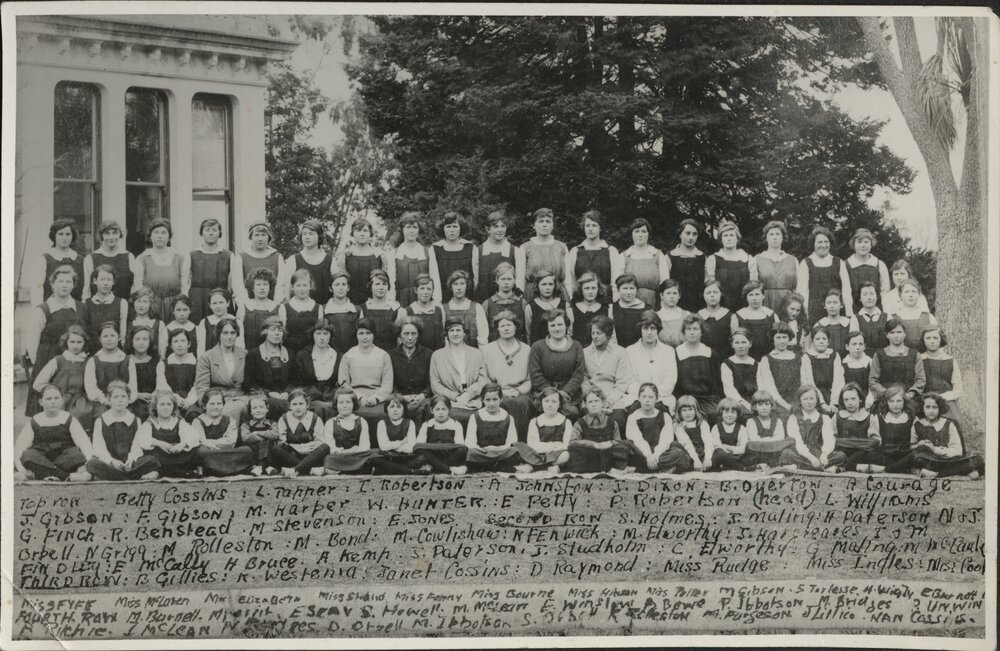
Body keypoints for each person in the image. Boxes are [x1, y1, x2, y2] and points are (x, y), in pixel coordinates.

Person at [24, 265, 86, 416]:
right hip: (48, 358)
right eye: (60, 281)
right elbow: (33, 341)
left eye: (68, 281)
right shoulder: (42, 310)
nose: (64, 285)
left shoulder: (81, 307)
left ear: (74, 285)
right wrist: (36, 363)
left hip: (74, 360)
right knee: (47, 402)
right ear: (52, 284)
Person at [884, 393, 983, 479]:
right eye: (928, 407)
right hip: (928, 461)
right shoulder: (917, 425)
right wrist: (918, 445)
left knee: (978, 460)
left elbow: (958, 450)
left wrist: (935, 449)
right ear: (922, 408)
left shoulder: (949, 424)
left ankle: (935, 473)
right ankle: (961, 471)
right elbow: (912, 449)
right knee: (918, 459)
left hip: (949, 460)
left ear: (939, 408)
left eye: (934, 407)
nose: (931, 411)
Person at [14, 384, 92, 481]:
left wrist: (86, 464)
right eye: (48, 399)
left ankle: (38, 476)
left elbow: (84, 443)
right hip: (41, 460)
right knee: (28, 455)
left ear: (62, 400)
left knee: (77, 454)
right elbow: (20, 447)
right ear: (41, 402)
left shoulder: (68, 419)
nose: (53, 402)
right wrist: (20, 468)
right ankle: (67, 476)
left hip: (65, 460)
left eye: (56, 398)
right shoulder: (35, 421)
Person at [86, 380, 160, 480]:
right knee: (92, 463)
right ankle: (134, 476)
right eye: (116, 397)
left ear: (129, 399)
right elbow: (99, 448)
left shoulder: (135, 420)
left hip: (129, 464)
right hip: (110, 463)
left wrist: (131, 460)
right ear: (109, 399)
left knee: (152, 460)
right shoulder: (101, 420)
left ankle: (112, 476)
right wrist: (112, 461)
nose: (120, 400)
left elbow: (137, 446)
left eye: (123, 397)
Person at [481, 310, 534, 438]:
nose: (506, 329)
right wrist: (499, 392)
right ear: (497, 329)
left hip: (519, 394)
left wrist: (518, 391)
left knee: (520, 404)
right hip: (496, 393)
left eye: (509, 325)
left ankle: (519, 443)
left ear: (515, 327)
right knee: (500, 403)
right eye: (502, 326)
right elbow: (484, 376)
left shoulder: (527, 349)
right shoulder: (488, 349)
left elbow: (530, 379)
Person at [338, 317, 394, 431]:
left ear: (373, 335)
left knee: (383, 417)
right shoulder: (348, 356)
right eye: (361, 333)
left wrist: (376, 398)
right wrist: (359, 397)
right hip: (354, 400)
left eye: (368, 333)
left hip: (377, 400)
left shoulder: (383, 356)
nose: (364, 337)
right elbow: (343, 383)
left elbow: (387, 384)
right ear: (356, 335)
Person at [528, 310, 586, 420]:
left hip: (569, 395)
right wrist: (551, 394)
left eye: (560, 324)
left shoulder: (576, 346)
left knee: (571, 413)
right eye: (552, 325)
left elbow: (578, 374)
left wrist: (564, 393)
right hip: (544, 393)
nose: (557, 328)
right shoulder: (537, 347)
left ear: (566, 325)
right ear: (547, 327)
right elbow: (535, 375)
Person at [31, 325, 92, 426]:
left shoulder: (88, 361)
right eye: (72, 342)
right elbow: (38, 384)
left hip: (79, 401)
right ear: (66, 342)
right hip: (59, 399)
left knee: (80, 417)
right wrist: (53, 392)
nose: (75, 346)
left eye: (79, 342)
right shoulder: (58, 360)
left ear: (84, 343)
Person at [429, 317, 487, 424]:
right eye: (451, 331)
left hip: (473, 399)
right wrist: (455, 397)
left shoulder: (476, 353)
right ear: (446, 334)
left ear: (464, 333)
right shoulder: (437, 356)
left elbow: (483, 379)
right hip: (449, 402)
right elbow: (435, 385)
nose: (455, 334)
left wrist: (469, 394)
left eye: (458, 330)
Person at [623, 383, 692, 473]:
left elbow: (666, 439)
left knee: (679, 452)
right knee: (624, 445)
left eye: (650, 397)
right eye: (644, 397)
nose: (647, 400)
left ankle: (644, 467)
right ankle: (660, 467)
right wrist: (648, 455)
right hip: (641, 453)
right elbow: (637, 439)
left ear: (657, 399)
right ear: (638, 398)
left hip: (660, 453)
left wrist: (655, 455)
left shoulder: (665, 416)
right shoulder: (633, 417)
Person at [582, 315, 635, 430]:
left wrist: (609, 400)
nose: (595, 337)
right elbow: (584, 379)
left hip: (613, 398)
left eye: (599, 333)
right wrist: (590, 397)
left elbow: (622, 382)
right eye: (593, 333)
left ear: (608, 334)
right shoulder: (585, 353)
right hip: (591, 397)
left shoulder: (620, 352)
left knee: (618, 419)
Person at [778, 385, 847, 473]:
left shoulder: (824, 418)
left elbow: (829, 440)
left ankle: (800, 467)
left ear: (817, 400)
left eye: (812, 398)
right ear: (800, 400)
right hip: (802, 454)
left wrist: (824, 455)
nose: (809, 402)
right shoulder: (793, 418)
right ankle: (826, 469)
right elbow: (798, 443)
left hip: (819, 453)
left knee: (841, 456)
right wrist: (811, 458)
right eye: (805, 399)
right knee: (786, 454)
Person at [193, 317, 250, 422]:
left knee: (233, 409)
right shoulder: (207, 357)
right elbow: (202, 387)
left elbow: (252, 383)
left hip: (241, 398)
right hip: (218, 401)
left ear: (237, 335)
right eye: (225, 333)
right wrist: (208, 405)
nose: (229, 337)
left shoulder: (245, 354)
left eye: (233, 333)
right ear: (218, 334)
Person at [563, 387, 629, 475]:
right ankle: (608, 469)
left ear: (603, 403)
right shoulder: (580, 423)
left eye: (596, 401)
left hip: (607, 453)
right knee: (574, 449)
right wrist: (592, 444)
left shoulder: (612, 422)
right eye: (590, 402)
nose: (594, 404)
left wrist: (609, 443)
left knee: (623, 447)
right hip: (589, 455)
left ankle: (606, 468)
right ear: (585, 404)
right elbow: (572, 442)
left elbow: (617, 441)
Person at [797, 225, 852, 326]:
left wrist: (849, 313)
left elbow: (846, 289)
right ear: (813, 244)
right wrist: (804, 315)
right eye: (819, 242)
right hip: (814, 312)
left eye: (826, 242)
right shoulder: (806, 263)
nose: (823, 245)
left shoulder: (839, 262)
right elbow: (802, 291)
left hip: (836, 311)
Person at [137, 389, 200, 477]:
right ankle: (180, 472)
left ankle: (166, 472)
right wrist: (158, 443)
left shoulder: (178, 421)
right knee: (150, 458)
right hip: (160, 457)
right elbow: (142, 439)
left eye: (169, 404)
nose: (165, 407)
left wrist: (183, 444)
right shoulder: (150, 423)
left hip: (176, 454)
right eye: (162, 404)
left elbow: (193, 435)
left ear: (173, 407)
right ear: (155, 406)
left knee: (197, 451)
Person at [673, 315, 723, 425]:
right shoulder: (677, 353)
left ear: (702, 332)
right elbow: (675, 382)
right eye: (688, 329)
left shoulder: (710, 353)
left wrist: (715, 400)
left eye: (695, 329)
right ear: (684, 332)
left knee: (714, 415)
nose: (692, 332)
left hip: (707, 399)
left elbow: (717, 382)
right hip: (685, 399)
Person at [192, 388, 255, 477]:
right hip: (208, 452)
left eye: (219, 403)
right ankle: (235, 469)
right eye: (212, 404)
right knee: (200, 452)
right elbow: (201, 441)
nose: (216, 407)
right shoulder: (198, 421)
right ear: (204, 406)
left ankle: (211, 469)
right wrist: (217, 443)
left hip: (225, 451)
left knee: (247, 450)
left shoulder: (230, 420)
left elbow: (231, 442)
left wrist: (212, 444)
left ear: (223, 405)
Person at [134, 219, 188, 320]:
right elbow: (138, 287)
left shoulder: (179, 258)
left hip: (174, 306)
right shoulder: (142, 258)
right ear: (150, 236)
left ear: (169, 236)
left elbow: (185, 287)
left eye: (163, 232)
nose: (160, 236)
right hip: (150, 306)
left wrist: (181, 306)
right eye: (156, 232)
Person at [625, 310, 678, 414]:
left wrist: (654, 395)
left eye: (653, 328)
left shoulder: (668, 351)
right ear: (640, 329)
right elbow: (628, 381)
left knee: (661, 411)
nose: (649, 332)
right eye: (645, 328)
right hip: (637, 398)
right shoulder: (630, 351)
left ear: (657, 330)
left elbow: (670, 379)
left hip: (662, 398)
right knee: (635, 411)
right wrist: (644, 396)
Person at [869, 317, 925, 415]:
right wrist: (886, 394)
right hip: (886, 399)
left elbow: (920, 380)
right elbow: (873, 380)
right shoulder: (879, 355)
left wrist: (910, 394)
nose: (896, 336)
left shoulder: (915, 355)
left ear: (904, 334)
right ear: (886, 335)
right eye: (892, 332)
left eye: (899, 332)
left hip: (908, 399)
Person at [270, 389, 329, 477]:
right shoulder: (284, 419)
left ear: (307, 405)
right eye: (294, 404)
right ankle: (308, 469)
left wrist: (308, 449)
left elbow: (320, 440)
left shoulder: (315, 418)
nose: (298, 407)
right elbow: (282, 442)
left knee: (325, 447)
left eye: (301, 404)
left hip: (311, 454)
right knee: (276, 448)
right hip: (293, 455)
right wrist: (299, 449)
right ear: (290, 406)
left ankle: (295, 470)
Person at [187, 219, 237, 323]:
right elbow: (186, 280)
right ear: (202, 233)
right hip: (197, 299)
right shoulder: (192, 255)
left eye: (214, 230)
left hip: (221, 298)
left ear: (220, 233)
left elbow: (234, 282)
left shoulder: (228, 255)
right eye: (207, 230)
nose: (211, 233)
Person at [565, 210, 620, 304]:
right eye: (588, 225)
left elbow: (615, 281)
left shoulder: (611, 251)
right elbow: (571, 281)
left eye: (594, 225)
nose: (591, 229)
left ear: (600, 228)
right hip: (580, 302)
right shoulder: (575, 251)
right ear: (584, 228)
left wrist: (615, 303)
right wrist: (571, 299)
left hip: (606, 301)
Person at [756, 321, 809, 420]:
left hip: (797, 401)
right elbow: (769, 387)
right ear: (773, 339)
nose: (781, 341)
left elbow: (804, 382)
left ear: (789, 339)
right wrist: (786, 406)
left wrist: (800, 402)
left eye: (784, 337)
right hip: (777, 403)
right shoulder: (767, 359)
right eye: (778, 337)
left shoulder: (798, 358)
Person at [335, 218, 393, 305]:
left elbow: (384, 282)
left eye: (365, 231)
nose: (362, 234)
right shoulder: (345, 255)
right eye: (358, 230)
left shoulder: (379, 255)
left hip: (373, 302)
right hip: (350, 302)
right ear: (352, 233)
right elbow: (341, 282)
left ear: (370, 233)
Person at [244, 317, 293, 420]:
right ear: (265, 332)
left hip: (285, 395)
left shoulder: (290, 353)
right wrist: (268, 393)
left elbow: (295, 379)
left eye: (280, 330)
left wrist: (287, 392)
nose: (277, 333)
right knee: (277, 404)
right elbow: (249, 383)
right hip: (261, 395)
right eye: (273, 329)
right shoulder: (254, 354)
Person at [389, 211, 441, 308]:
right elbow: (391, 282)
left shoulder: (428, 252)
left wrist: (435, 302)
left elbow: (435, 279)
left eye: (415, 227)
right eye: (408, 227)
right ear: (402, 230)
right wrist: (392, 304)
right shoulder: (394, 254)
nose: (411, 231)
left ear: (419, 230)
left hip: (424, 302)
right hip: (401, 303)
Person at [465, 383, 521, 472]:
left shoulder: (508, 417)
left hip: (501, 452)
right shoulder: (476, 416)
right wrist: (484, 450)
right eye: (488, 400)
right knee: (471, 453)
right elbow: (470, 442)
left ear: (501, 399)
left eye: (495, 399)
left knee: (514, 451)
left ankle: (484, 468)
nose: (492, 403)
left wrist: (497, 449)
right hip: (482, 452)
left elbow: (512, 442)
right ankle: (503, 468)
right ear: (482, 400)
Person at [84, 322, 132, 426]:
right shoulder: (94, 360)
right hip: (101, 403)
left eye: (112, 335)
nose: (109, 339)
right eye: (105, 336)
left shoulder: (127, 360)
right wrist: (106, 401)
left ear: (119, 338)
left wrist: (123, 401)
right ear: (100, 339)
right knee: (102, 416)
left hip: (124, 402)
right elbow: (91, 387)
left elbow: (132, 385)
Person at [514, 388, 572, 473]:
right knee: (520, 447)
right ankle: (549, 467)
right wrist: (553, 445)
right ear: (541, 402)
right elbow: (533, 445)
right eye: (546, 401)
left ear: (559, 404)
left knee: (566, 455)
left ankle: (535, 467)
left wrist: (546, 447)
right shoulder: (535, 421)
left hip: (556, 455)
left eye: (554, 401)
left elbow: (567, 445)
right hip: (537, 454)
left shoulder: (566, 422)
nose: (550, 405)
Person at [856, 385, 912, 473]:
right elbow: (877, 442)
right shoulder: (879, 418)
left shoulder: (910, 418)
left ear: (904, 401)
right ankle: (900, 468)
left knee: (915, 455)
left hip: (904, 454)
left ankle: (885, 469)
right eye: (891, 401)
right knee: (869, 455)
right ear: (886, 402)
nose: (895, 405)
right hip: (886, 455)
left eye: (899, 401)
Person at [323, 388, 380, 474]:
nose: (344, 405)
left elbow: (365, 447)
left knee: (374, 453)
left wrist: (353, 452)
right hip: (339, 457)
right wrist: (350, 450)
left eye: (348, 402)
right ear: (336, 404)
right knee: (329, 458)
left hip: (359, 456)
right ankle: (359, 469)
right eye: (341, 402)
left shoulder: (361, 421)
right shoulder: (330, 423)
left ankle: (342, 470)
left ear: (354, 404)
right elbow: (331, 448)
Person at [519, 208, 570, 303]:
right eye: (541, 221)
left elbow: (568, 279)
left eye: (548, 221)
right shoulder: (525, 248)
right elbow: (520, 280)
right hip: (532, 295)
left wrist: (569, 297)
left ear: (552, 225)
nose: (544, 224)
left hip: (558, 294)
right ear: (534, 225)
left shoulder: (562, 247)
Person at [279, 219, 335, 305]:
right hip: (299, 312)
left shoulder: (330, 261)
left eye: (311, 234)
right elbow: (285, 287)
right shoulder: (293, 260)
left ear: (319, 236)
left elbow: (338, 287)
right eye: (304, 234)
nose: (307, 237)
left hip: (325, 311)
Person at [389, 318, 434, 423]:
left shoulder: (428, 354)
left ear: (418, 335)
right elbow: (388, 381)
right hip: (399, 398)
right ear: (400, 335)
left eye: (413, 334)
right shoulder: (391, 355)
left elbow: (433, 380)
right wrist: (401, 397)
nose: (410, 338)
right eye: (406, 334)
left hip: (423, 399)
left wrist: (423, 394)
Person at [294, 318, 340, 421]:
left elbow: (340, 381)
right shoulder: (303, 355)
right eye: (318, 333)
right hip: (309, 397)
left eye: (325, 333)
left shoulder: (338, 355)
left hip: (332, 397)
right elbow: (298, 382)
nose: (322, 338)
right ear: (312, 335)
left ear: (331, 335)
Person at [475, 210, 525, 304]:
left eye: (503, 226)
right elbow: (475, 280)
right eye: (496, 226)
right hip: (483, 301)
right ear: (488, 229)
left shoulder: (515, 251)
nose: (500, 230)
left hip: (508, 302)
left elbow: (519, 281)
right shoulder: (478, 251)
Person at [371, 395, 428, 475]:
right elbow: (383, 446)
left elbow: (412, 447)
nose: (395, 410)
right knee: (374, 459)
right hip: (389, 456)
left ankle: (385, 470)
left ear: (404, 409)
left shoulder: (409, 423)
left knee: (422, 458)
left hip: (405, 456)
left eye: (398, 407)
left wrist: (393, 447)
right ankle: (411, 471)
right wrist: (402, 442)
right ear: (386, 409)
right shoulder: (382, 423)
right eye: (392, 407)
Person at [706, 221, 757, 311]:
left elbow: (753, 286)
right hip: (720, 307)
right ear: (721, 239)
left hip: (744, 307)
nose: (729, 238)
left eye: (732, 235)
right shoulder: (713, 259)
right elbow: (710, 287)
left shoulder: (748, 259)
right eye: (725, 236)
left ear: (737, 238)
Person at [32, 219, 84, 304]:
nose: (64, 238)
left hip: (75, 312)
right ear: (54, 236)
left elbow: (85, 289)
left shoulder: (80, 260)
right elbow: (37, 288)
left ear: (72, 236)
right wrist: (39, 312)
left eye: (68, 234)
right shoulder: (45, 259)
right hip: (51, 311)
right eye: (60, 234)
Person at [620, 218, 668, 309]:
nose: (640, 235)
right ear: (632, 234)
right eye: (637, 231)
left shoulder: (657, 255)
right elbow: (617, 284)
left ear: (648, 234)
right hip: (629, 304)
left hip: (653, 302)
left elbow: (665, 283)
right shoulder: (624, 256)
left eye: (643, 231)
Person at [832, 383, 881, 472]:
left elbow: (875, 441)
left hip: (862, 453)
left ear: (860, 399)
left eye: (853, 399)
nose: (850, 403)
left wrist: (845, 442)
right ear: (842, 401)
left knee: (872, 455)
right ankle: (856, 467)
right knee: (839, 456)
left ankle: (846, 467)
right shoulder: (837, 417)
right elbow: (832, 439)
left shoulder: (868, 417)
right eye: (846, 400)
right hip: (842, 452)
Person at [414, 396, 469, 474]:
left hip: (449, 456)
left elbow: (460, 445)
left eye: (444, 409)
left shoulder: (456, 424)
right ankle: (449, 469)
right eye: (437, 409)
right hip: (432, 456)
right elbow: (419, 445)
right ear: (431, 410)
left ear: (449, 410)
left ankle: (434, 467)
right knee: (420, 451)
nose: (441, 412)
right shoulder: (427, 425)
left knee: (462, 450)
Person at [83, 220, 136, 301]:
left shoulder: (129, 257)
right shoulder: (91, 258)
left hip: (125, 307)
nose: (111, 237)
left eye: (114, 233)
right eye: (107, 233)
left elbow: (135, 287)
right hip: (99, 308)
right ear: (101, 236)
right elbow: (86, 289)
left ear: (120, 234)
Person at [232, 222, 284, 303]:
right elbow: (238, 285)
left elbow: (281, 284)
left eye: (263, 235)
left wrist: (276, 304)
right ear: (251, 237)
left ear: (268, 237)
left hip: (272, 305)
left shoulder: (277, 256)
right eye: (256, 235)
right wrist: (246, 305)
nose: (260, 239)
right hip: (249, 306)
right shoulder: (242, 257)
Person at [433, 212, 478, 303]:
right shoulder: (435, 249)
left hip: (466, 298)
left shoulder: (470, 248)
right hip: (443, 299)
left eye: (455, 226)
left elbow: (476, 278)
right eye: (448, 227)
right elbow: (434, 277)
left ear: (460, 228)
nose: (452, 230)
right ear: (443, 229)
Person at [156, 329, 200, 421]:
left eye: (183, 341)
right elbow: (162, 385)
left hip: (192, 400)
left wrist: (189, 401)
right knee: (173, 415)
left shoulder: (197, 363)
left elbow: (198, 385)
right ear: (171, 345)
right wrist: (177, 400)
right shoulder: (163, 364)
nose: (179, 344)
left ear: (189, 344)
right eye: (175, 341)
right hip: (170, 399)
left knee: (193, 414)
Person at [754, 220, 798, 312]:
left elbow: (798, 287)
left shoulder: (793, 260)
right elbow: (753, 287)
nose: (774, 237)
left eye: (778, 234)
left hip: (788, 304)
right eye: (771, 234)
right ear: (766, 238)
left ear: (783, 237)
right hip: (765, 304)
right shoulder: (757, 259)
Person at [83, 264, 128, 350]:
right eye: (102, 279)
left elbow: (122, 333)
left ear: (113, 282)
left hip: (114, 349)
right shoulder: (87, 303)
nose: (106, 283)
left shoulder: (121, 303)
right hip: (92, 349)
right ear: (95, 281)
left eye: (109, 280)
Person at [845, 228, 891, 313]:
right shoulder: (846, 265)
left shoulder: (879, 264)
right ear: (854, 244)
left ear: (871, 244)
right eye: (859, 242)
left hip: (876, 310)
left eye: (866, 242)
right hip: (854, 310)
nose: (863, 245)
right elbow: (845, 292)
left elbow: (885, 290)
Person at [743, 390, 792, 468]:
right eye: (760, 404)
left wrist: (766, 442)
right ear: (755, 407)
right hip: (758, 450)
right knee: (750, 445)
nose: (764, 408)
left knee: (789, 441)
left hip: (774, 450)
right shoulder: (751, 421)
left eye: (767, 404)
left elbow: (780, 437)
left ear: (771, 406)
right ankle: (761, 464)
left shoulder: (778, 421)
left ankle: (772, 463)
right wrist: (770, 440)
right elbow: (754, 438)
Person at [730, 280, 776, 361]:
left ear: (763, 295)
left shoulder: (771, 315)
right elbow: (736, 343)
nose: (754, 298)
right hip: (746, 360)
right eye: (750, 295)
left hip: (768, 359)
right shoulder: (738, 316)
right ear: (746, 297)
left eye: (757, 294)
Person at [919, 325, 962, 413]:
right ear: (923, 340)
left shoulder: (950, 360)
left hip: (946, 402)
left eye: (935, 338)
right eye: (928, 338)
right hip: (924, 403)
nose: (932, 341)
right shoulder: (919, 360)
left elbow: (958, 388)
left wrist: (942, 398)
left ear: (941, 339)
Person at [237, 268, 282, 351]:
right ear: (252, 287)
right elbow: (239, 336)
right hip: (249, 352)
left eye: (265, 284)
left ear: (270, 286)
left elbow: (281, 336)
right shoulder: (244, 307)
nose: (262, 288)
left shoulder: (278, 308)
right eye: (258, 284)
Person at [803, 326, 845, 415]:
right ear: (813, 341)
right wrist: (822, 403)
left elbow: (838, 380)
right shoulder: (807, 356)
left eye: (824, 338)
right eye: (817, 339)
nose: (821, 341)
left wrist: (834, 403)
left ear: (828, 341)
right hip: (815, 396)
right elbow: (809, 381)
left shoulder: (834, 355)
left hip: (834, 395)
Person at [668, 219, 707, 312]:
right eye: (687, 233)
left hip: (697, 304)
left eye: (694, 234)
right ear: (680, 234)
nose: (691, 237)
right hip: (676, 304)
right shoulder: (671, 256)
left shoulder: (702, 257)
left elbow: (707, 282)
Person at [441, 270, 488, 348]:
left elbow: (483, 338)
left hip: (473, 354)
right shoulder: (443, 308)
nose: (459, 288)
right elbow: (442, 336)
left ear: (467, 286)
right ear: (451, 287)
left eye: (462, 284)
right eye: (455, 284)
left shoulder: (477, 307)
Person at [284, 268, 324, 358]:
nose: (302, 289)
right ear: (292, 287)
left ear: (310, 286)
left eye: (305, 285)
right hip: (289, 352)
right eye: (298, 285)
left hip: (311, 353)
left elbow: (320, 333)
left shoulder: (318, 308)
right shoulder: (285, 307)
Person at [398, 273, 444, 351]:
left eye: (429, 289)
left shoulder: (439, 311)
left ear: (433, 291)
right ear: (416, 290)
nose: (426, 292)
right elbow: (400, 340)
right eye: (422, 288)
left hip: (436, 355)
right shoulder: (406, 311)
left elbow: (443, 336)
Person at [483, 263, 528, 343]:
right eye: (503, 279)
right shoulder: (488, 304)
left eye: (509, 279)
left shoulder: (522, 303)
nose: (506, 282)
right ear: (497, 280)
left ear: (514, 280)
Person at [359, 269, 401, 351]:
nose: (381, 287)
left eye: (384, 284)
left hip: (391, 353)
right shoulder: (363, 308)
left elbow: (400, 337)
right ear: (370, 286)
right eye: (377, 284)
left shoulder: (396, 308)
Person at [240, 393, 281, 475]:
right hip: (253, 451)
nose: (258, 410)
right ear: (250, 411)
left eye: (261, 407)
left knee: (270, 445)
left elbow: (275, 434)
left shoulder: (272, 422)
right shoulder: (246, 424)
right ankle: (266, 467)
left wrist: (257, 433)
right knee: (262, 444)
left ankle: (260, 467)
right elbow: (245, 437)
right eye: (254, 408)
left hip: (269, 452)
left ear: (267, 409)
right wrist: (264, 437)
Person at [670, 394, 711, 472]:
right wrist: (696, 460)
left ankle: (704, 464)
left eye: (690, 409)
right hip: (688, 453)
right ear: (679, 412)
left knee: (719, 453)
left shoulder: (702, 423)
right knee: (675, 446)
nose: (687, 413)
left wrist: (707, 458)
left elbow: (708, 441)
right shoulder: (678, 425)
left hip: (703, 452)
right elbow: (686, 443)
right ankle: (690, 465)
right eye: (684, 410)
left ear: (696, 410)